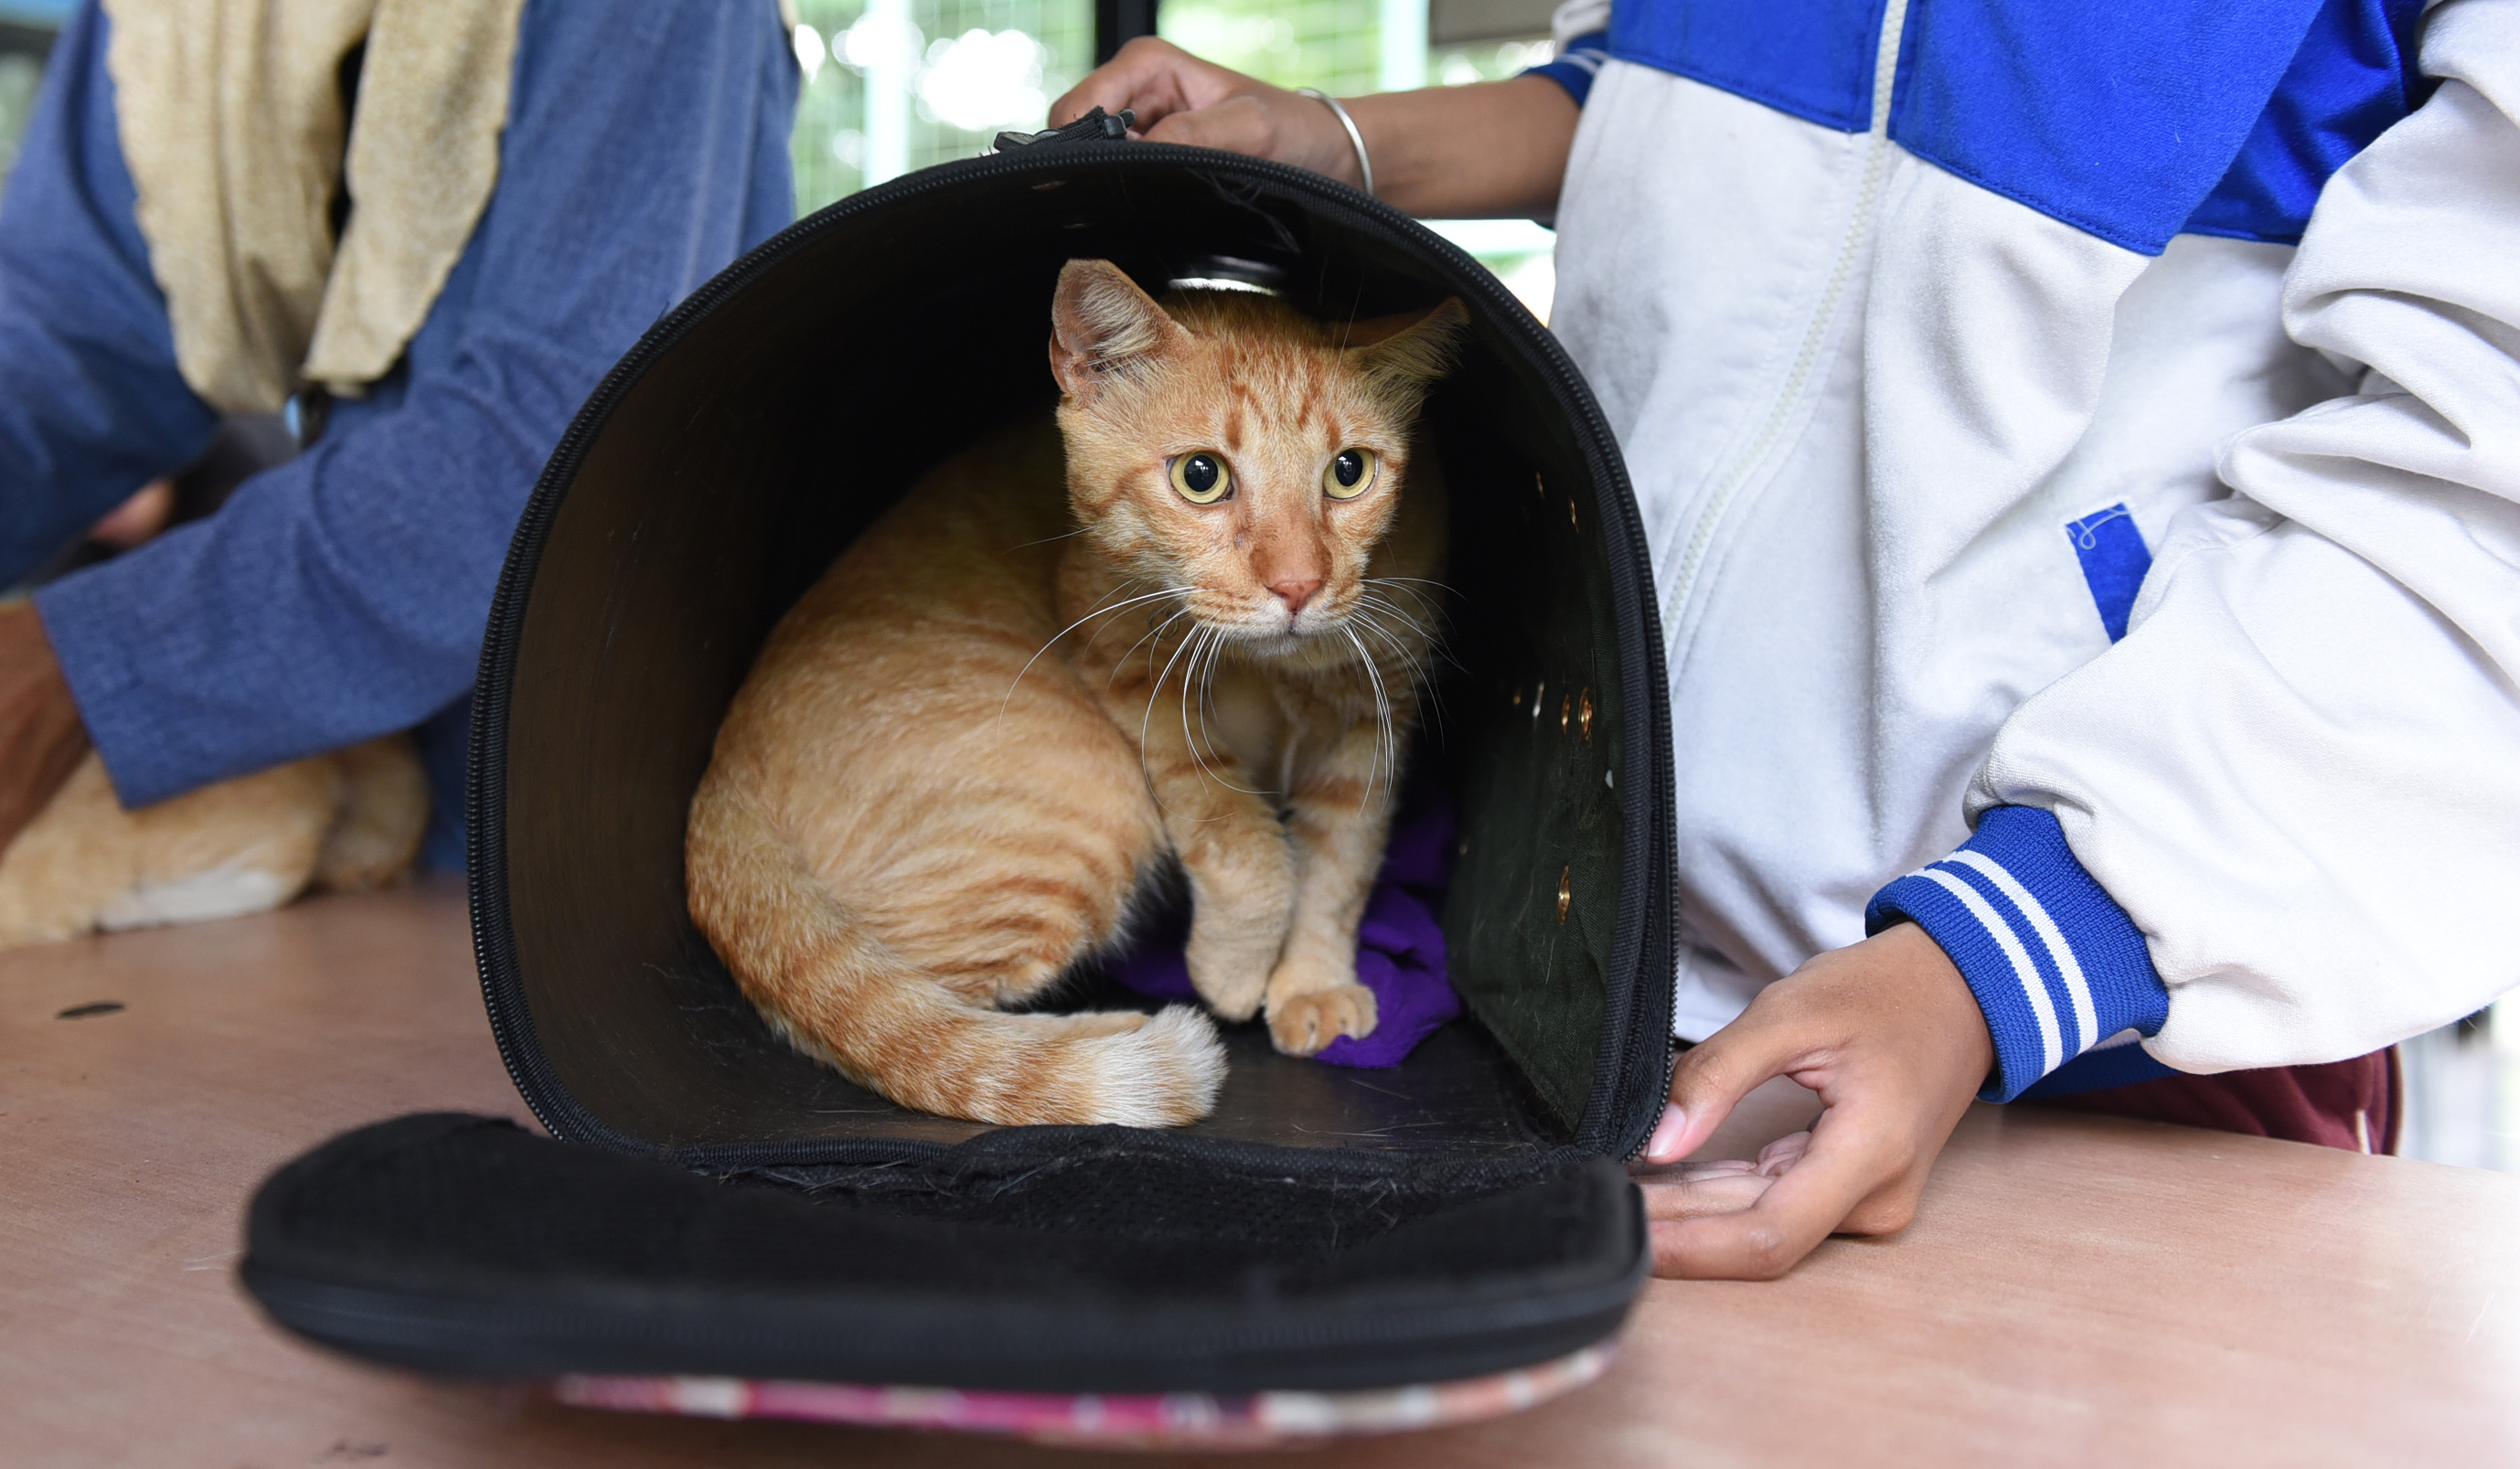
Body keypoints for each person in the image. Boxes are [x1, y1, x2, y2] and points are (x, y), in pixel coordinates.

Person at [1051, 0, 2520, 1278]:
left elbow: (2477, 488)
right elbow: (1652, 89)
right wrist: (1343, 144)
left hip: (2097, 1012)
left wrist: (2017, 943)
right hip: (1579, 953)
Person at [0, 0, 798, 872]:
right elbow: (69, 341)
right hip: (353, 801)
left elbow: (563, 454)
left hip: (599, 822)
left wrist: (85, 666)